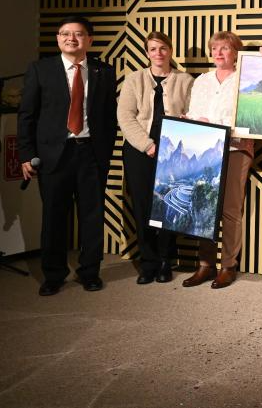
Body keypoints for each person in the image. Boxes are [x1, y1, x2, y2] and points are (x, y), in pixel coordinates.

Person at [17, 15, 118, 296]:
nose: (71, 38)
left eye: (78, 34)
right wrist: (26, 154)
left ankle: (90, 272)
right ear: (58, 38)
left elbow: (109, 117)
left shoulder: (104, 71)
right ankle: (53, 274)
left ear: (89, 40)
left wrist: (105, 152)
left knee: (92, 217)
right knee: (54, 216)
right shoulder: (40, 69)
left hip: (91, 154)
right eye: (64, 33)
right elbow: (27, 115)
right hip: (53, 155)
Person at [117, 31, 194, 284]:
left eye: (162, 48)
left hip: (172, 154)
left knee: (168, 206)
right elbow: (125, 117)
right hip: (139, 151)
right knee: (142, 206)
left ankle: (165, 261)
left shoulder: (185, 80)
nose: (158, 53)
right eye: (152, 49)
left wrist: (187, 120)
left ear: (170, 50)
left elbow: (193, 113)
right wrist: (148, 145)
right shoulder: (134, 80)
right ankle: (147, 262)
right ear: (147, 53)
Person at [182, 31, 256, 289]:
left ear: (235, 53)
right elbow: (194, 112)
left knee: (231, 209)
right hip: (205, 148)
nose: (218, 53)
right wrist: (192, 121)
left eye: (225, 48)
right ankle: (205, 265)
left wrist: (215, 123)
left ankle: (228, 266)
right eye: (215, 48)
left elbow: (249, 117)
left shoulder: (244, 80)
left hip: (235, 148)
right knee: (204, 206)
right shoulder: (202, 81)